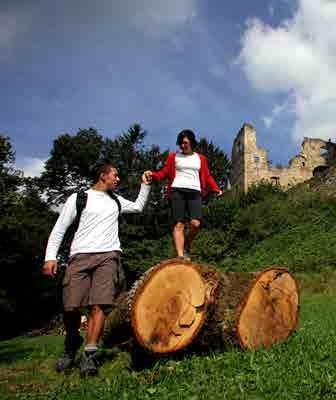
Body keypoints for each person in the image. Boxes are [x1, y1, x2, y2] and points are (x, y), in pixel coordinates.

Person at [42, 162, 151, 376]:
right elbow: (60, 228)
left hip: (108, 256)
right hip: (80, 256)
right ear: (103, 176)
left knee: (99, 304)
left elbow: (138, 206)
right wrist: (49, 257)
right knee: (71, 306)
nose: (118, 179)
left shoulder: (116, 201)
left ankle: (89, 354)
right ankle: (72, 340)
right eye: (115, 175)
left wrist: (144, 185)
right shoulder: (79, 199)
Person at [145, 129, 222, 260]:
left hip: (195, 191)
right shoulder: (174, 157)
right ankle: (180, 256)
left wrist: (216, 188)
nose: (182, 145)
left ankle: (187, 244)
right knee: (179, 224)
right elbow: (164, 173)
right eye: (180, 143)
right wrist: (152, 175)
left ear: (191, 142)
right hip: (177, 191)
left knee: (195, 223)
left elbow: (207, 175)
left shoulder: (200, 158)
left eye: (185, 143)